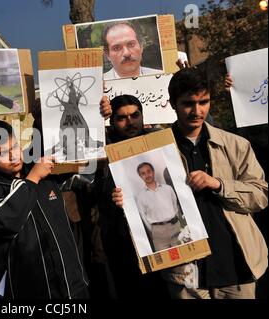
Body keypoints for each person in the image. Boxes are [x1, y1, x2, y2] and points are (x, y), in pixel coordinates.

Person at [113, 67, 268, 299]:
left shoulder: (235, 145)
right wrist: (125, 200)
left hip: (237, 267)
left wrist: (218, 184)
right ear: (172, 103)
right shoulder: (154, 150)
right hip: (186, 274)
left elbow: (260, 195)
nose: (197, 111)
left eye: (203, 102)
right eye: (188, 103)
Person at [0, 120, 89, 299]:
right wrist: (33, 178)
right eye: (2, 153)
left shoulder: (47, 175)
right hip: (30, 291)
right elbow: (6, 221)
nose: (13, 156)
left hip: (73, 285)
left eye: (15, 147)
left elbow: (88, 169)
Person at [97, 94, 170, 299]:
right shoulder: (101, 148)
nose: (130, 122)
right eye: (122, 118)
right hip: (122, 241)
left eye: (135, 115)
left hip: (161, 234)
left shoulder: (159, 140)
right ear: (112, 122)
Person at [135, 162, 185, 252]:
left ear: (153, 172)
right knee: (167, 260)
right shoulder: (140, 197)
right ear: (140, 176)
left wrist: (175, 220)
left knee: (183, 253)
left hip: (175, 226)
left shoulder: (168, 188)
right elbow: (144, 217)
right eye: (143, 173)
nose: (147, 175)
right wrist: (154, 230)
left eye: (148, 171)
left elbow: (175, 205)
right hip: (158, 233)